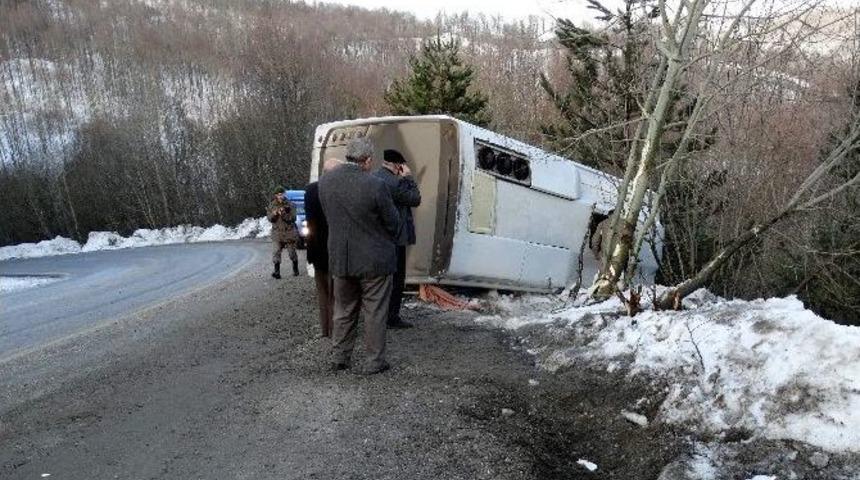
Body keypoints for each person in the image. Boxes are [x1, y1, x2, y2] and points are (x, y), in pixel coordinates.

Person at [319, 138, 401, 375]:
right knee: (375, 311)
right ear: (366, 161)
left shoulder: (325, 182)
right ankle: (374, 361)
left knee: (343, 310)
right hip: (374, 261)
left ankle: (339, 357)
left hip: (341, 258)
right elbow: (393, 223)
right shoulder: (375, 185)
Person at [373, 149, 421, 329]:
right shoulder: (395, 183)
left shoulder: (374, 177)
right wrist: (408, 178)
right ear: (397, 166)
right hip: (396, 238)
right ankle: (391, 317)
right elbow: (415, 199)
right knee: (396, 279)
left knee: (380, 280)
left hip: (378, 238)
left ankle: (379, 314)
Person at [304, 159, 342, 338]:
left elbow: (310, 223)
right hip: (337, 249)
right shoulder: (340, 190)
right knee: (338, 294)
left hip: (317, 250)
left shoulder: (311, 190)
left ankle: (325, 329)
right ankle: (337, 330)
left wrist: (310, 251)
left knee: (323, 293)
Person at [266, 187, 300, 278]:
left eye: (281, 194)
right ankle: (277, 272)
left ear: (284, 194)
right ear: (275, 195)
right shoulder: (271, 205)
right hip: (277, 233)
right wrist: (275, 214)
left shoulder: (291, 205)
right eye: (278, 194)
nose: (280, 196)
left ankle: (295, 269)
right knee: (276, 252)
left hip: (289, 233)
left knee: (292, 253)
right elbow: (270, 218)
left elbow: (293, 218)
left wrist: (284, 214)